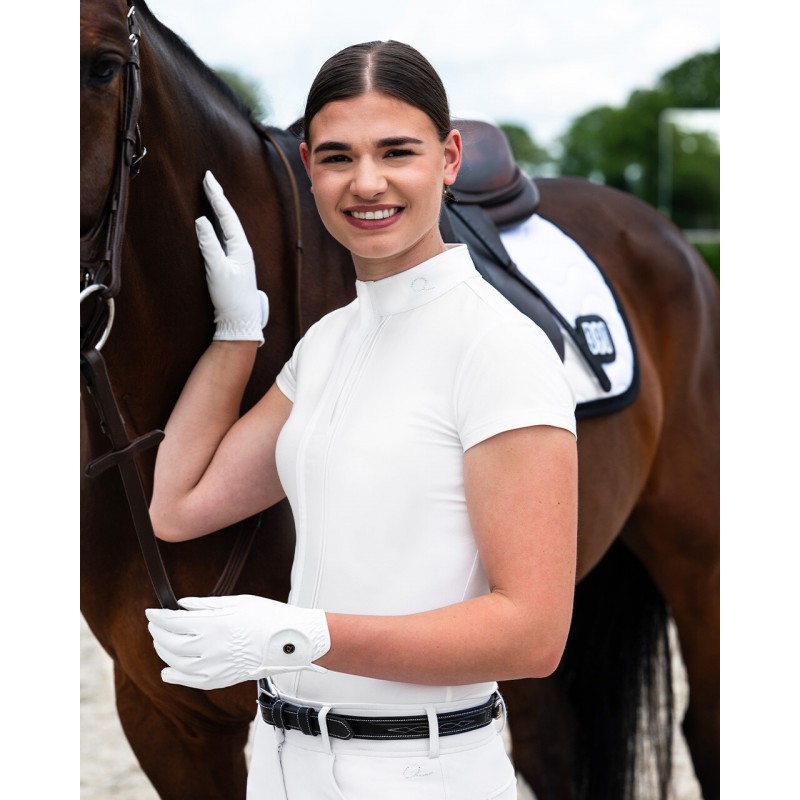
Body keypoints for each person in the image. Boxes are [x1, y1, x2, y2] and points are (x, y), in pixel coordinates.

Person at [145, 40, 578, 800]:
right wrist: (237, 333)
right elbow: (179, 506)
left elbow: (533, 635)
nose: (366, 182)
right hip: (283, 761)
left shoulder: (499, 346)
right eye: (338, 157)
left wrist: (299, 636)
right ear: (308, 167)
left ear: (448, 158)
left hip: (420, 771)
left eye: (396, 152)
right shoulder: (326, 342)